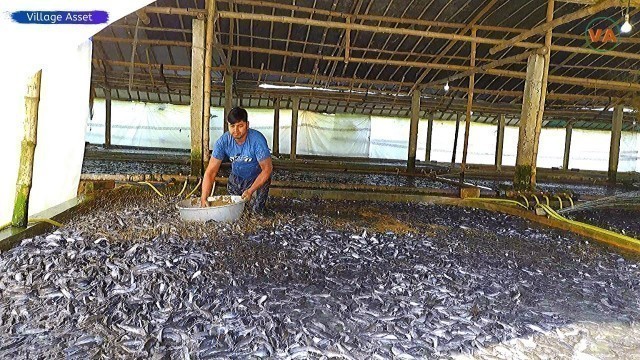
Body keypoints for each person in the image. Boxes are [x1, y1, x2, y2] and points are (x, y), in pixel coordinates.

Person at [201, 107, 273, 213]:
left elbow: (267, 169)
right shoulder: (223, 142)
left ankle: (260, 207)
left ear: (247, 125)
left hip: (257, 177)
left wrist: (250, 191)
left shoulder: (257, 140)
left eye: (240, 126)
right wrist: (204, 197)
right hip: (237, 177)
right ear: (228, 125)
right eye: (232, 126)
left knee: (256, 211)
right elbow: (211, 171)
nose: (236, 130)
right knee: (235, 211)